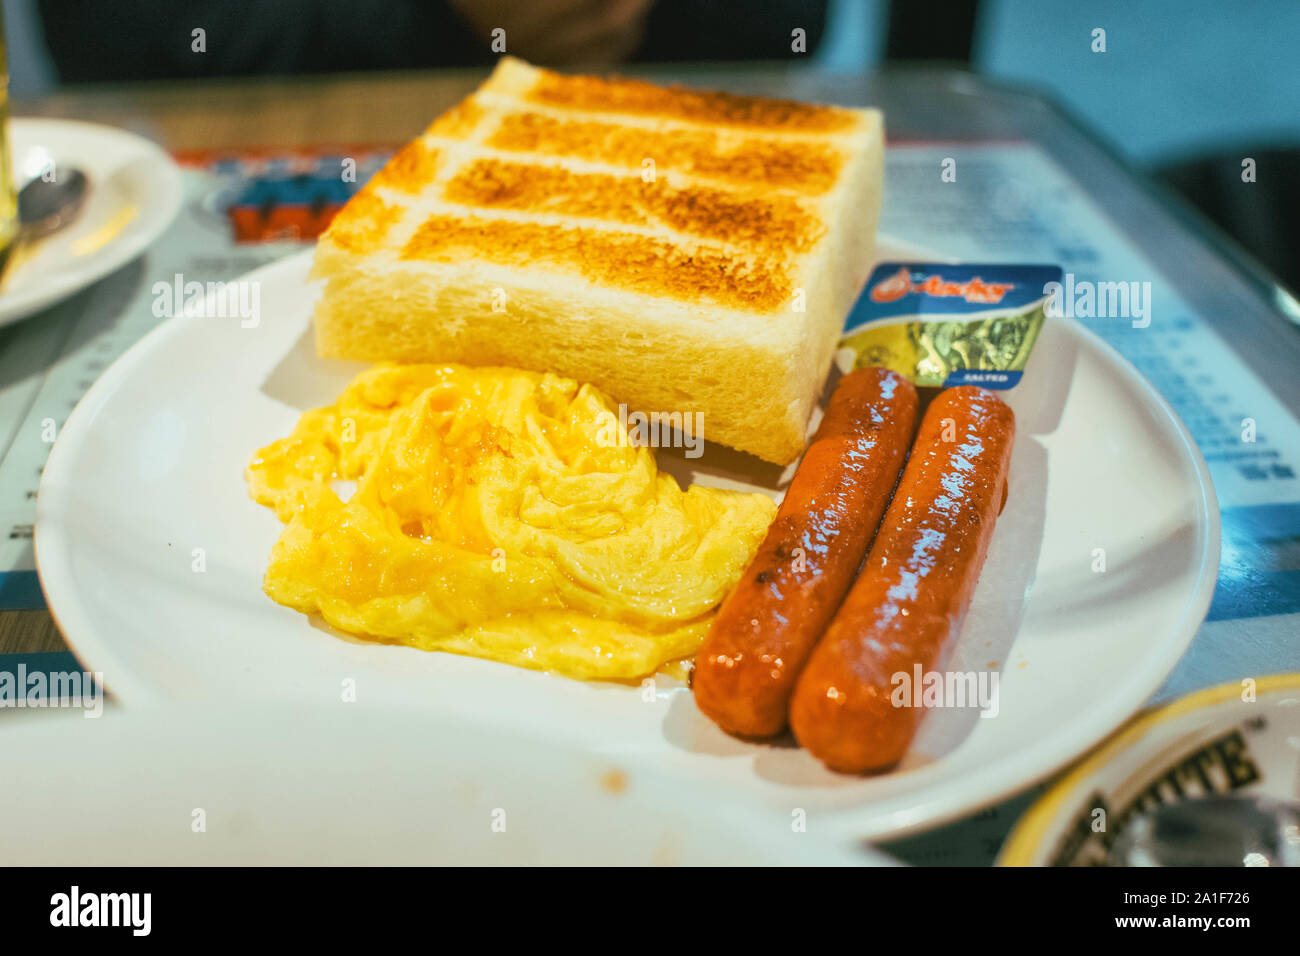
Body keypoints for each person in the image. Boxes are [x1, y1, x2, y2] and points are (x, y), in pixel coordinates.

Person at [38, 0, 828, 81]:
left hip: (676, 99)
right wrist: (440, 18)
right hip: (319, 117)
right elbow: (111, 32)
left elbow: (794, 23)